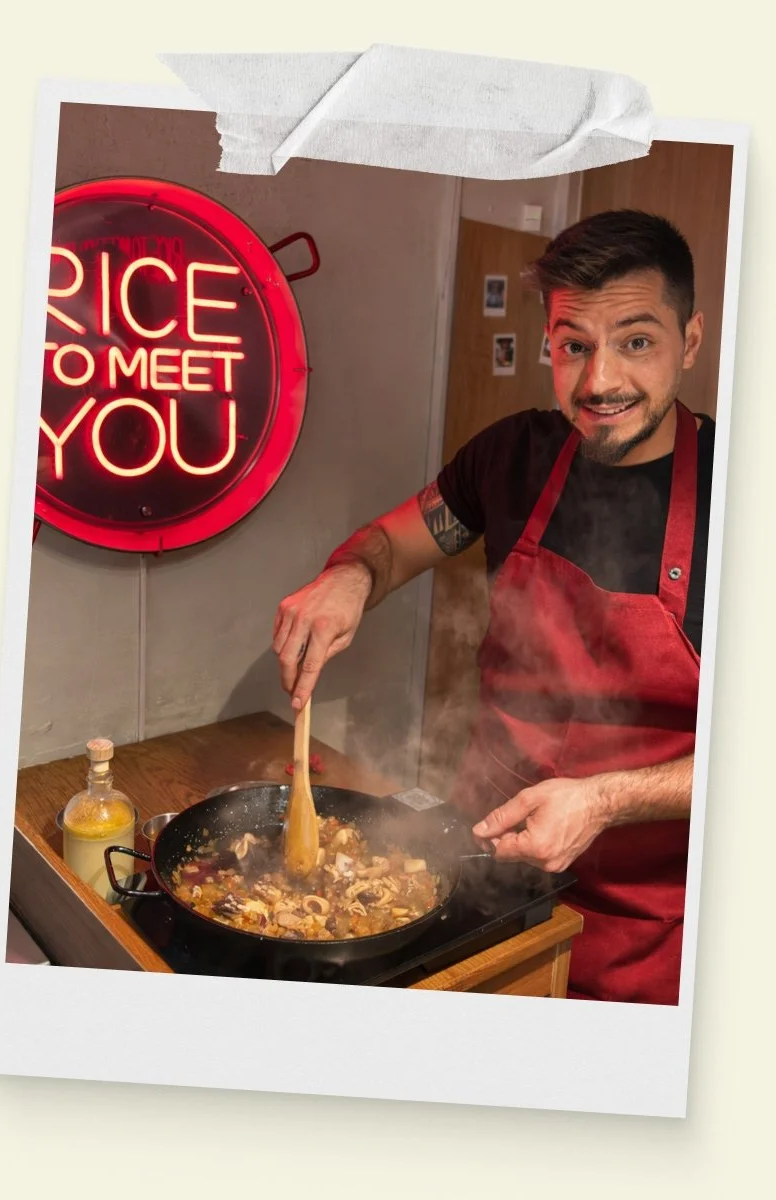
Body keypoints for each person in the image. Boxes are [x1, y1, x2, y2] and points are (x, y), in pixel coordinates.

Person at [272, 209, 713, 1006]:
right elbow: (391, 544)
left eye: (636, 342)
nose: (600, 381)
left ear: (689, 340)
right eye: (574, 346)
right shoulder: (513, 456)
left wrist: (603, 800)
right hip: (475, 874)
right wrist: (353, 576)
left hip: (640, 933)